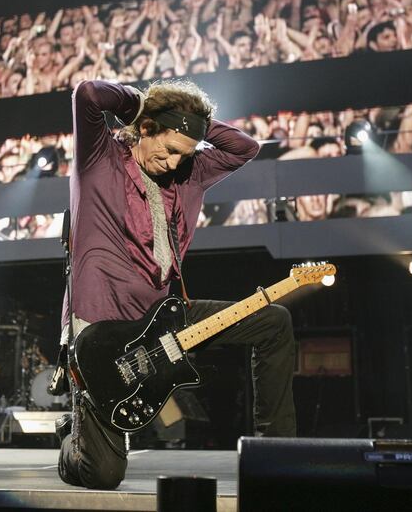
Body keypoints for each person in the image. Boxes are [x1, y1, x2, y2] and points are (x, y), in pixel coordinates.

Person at [56, 79, 297, 490]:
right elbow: (89, 95)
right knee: (104, 475)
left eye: (183, 154)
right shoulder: (99, 158)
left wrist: (195, 126)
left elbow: (245, 148)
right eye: (168, 149)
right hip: (102, 328)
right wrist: (145, 106)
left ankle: (277, 453)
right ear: (145, 128)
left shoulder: (190, 172)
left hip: (162, 318)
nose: (171, 163)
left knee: (273, 322)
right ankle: (71, 440)